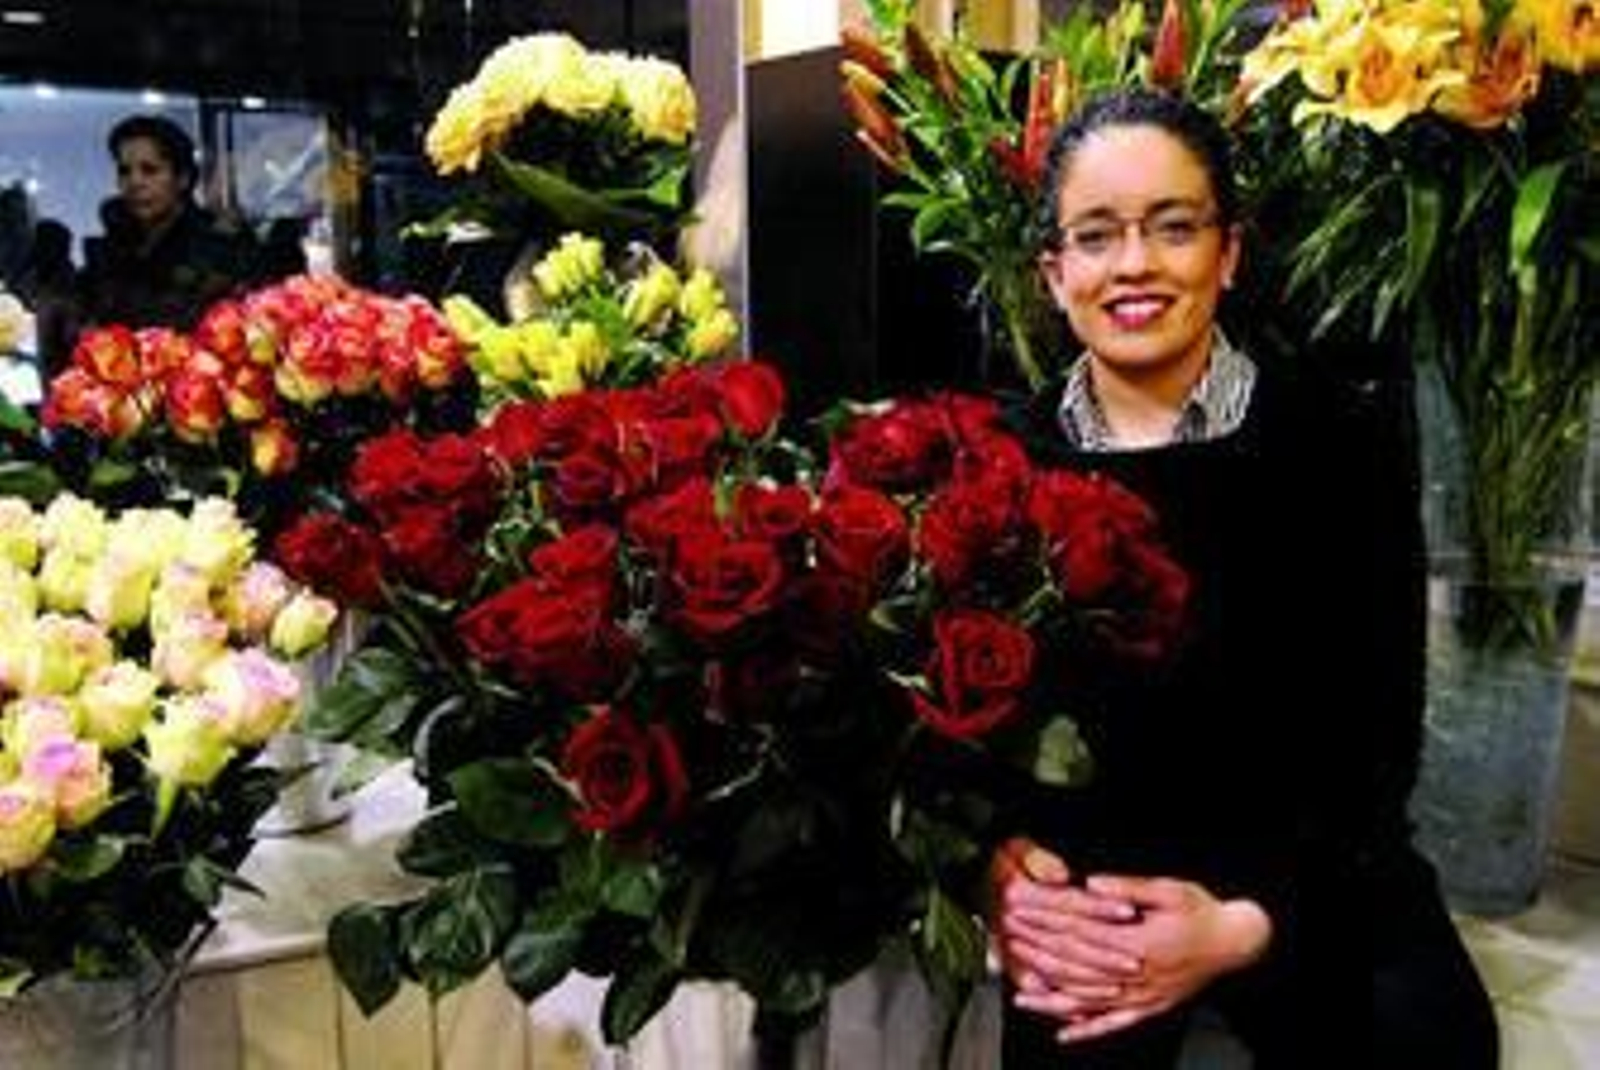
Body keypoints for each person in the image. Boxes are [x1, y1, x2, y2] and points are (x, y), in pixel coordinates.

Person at [987, 87, 1498, 1068]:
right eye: (1096, 237)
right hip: (1097, 880)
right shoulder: (995, 464)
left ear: (1226, 253)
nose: (1133, 263)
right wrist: (994, 868)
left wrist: (1241, 922)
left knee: (1429, 1040)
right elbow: (968, 747)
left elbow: (1374, 747)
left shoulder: (1339, 445)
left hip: (1299, 860)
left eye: (1172, 227)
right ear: (1054, 274)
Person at [78, 114, 260, 331]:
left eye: (150, 170)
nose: (135, 182)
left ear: (182, 178)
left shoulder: (223, 247)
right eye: (124, 171)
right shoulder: (109, 252)